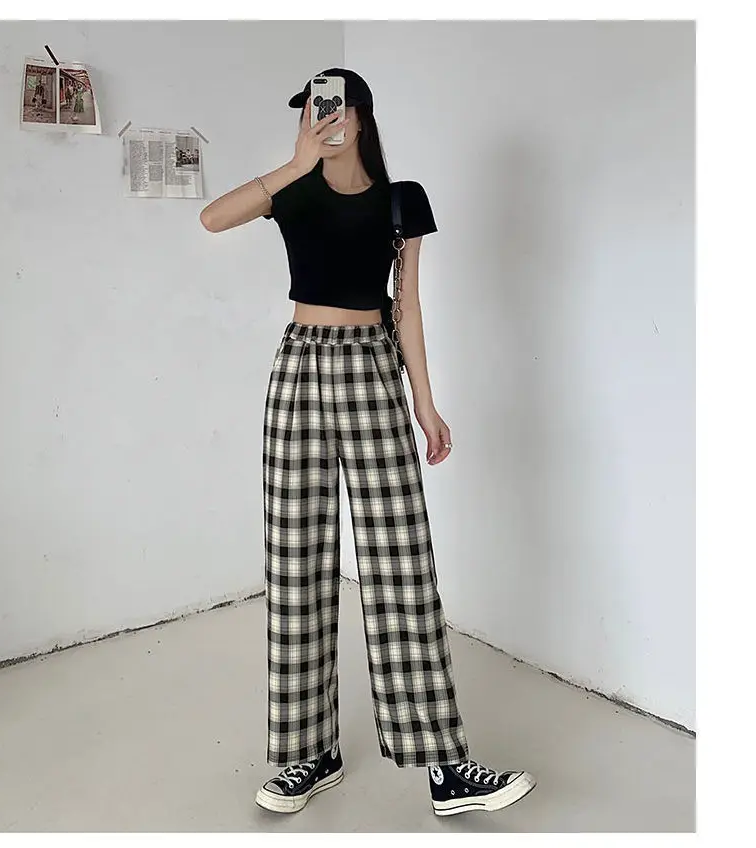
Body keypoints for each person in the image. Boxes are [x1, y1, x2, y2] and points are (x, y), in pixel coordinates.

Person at [200, 68, 536, 818]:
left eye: (334, 106)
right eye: (311, 110)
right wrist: (294, 163)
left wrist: (426, 402)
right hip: (299, 369)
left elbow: (407, 307)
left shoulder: (400, 200)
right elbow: (212, 219)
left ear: (360, 113)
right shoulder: (291, 189)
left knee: (401, 564)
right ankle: (309, 753)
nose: (323, 119)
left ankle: (446, 766)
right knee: (296, 563)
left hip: (372, 367)